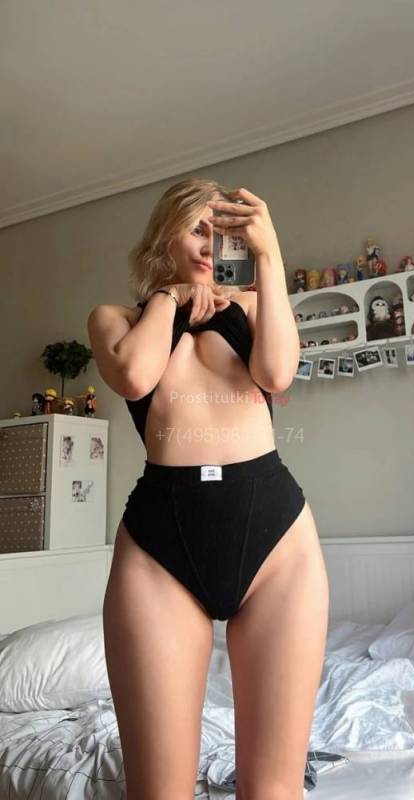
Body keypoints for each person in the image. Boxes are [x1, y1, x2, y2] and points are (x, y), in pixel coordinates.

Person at [87, 178, 329, 800]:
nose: (209, 246)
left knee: (272, 790)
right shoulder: (117, 319)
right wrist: (168, 297)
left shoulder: (253, 306)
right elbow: (136, 376)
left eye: (224, 236)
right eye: (197, 229)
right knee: (158, 791)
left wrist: (269, 254)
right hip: (160, 546)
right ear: (165, 234)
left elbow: (278, 373)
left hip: (274, 540)